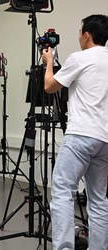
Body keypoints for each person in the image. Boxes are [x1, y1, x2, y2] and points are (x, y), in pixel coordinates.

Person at [42, 14, 108, 250]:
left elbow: (50, 86)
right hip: (104, 139)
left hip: (81, 135)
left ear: (87, 35)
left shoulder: (80, 58)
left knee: (61, 191)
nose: (79, 36)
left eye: (80, 31)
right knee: (99, 200)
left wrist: (48, 61)